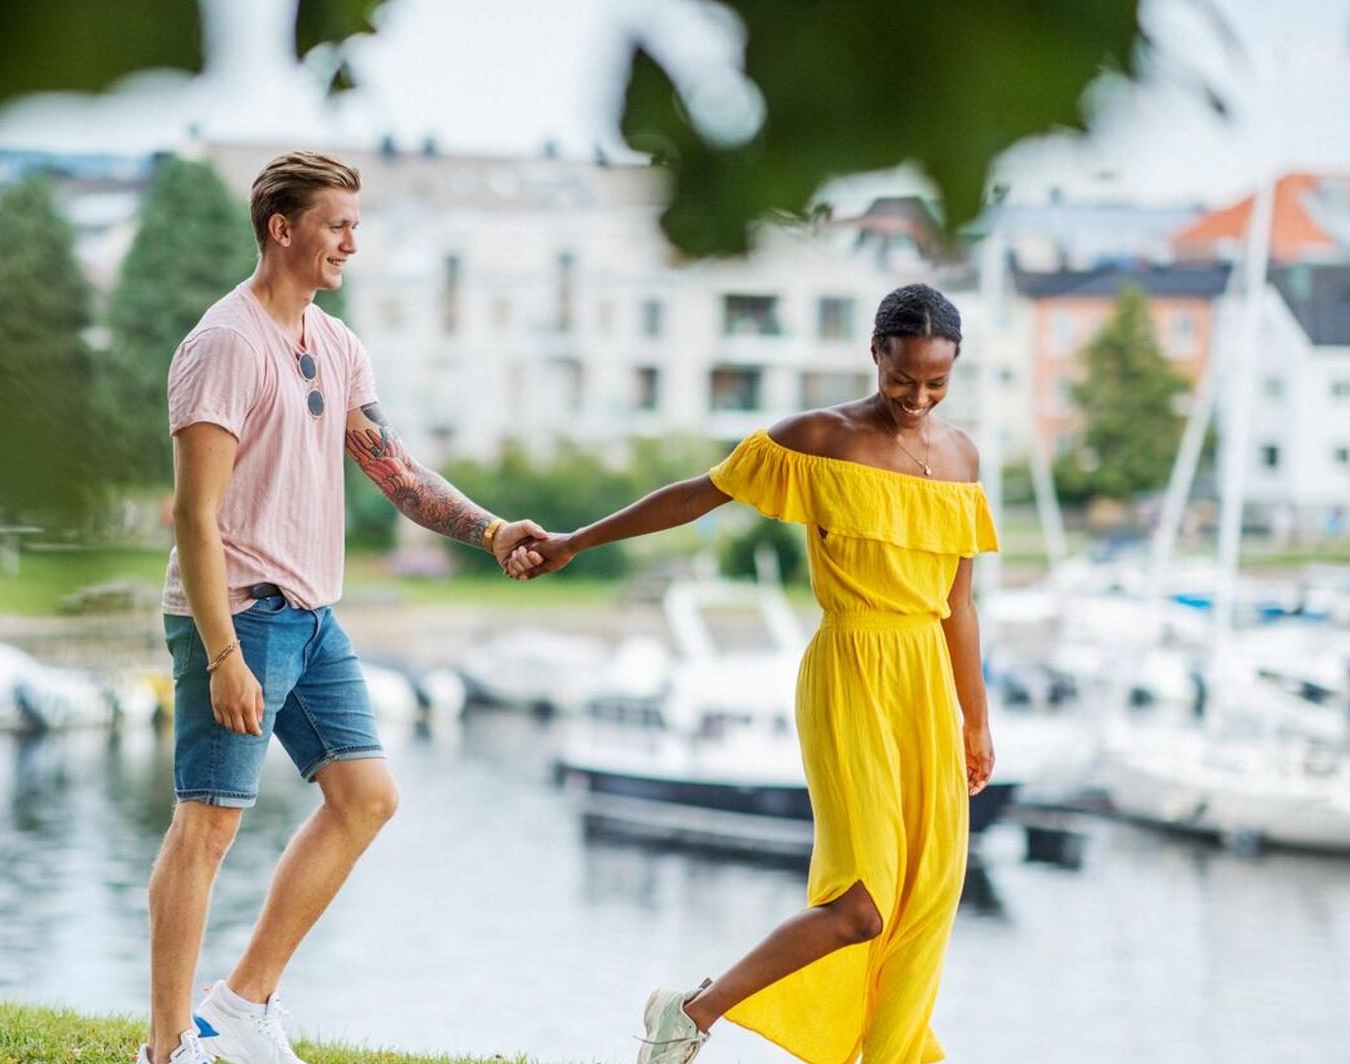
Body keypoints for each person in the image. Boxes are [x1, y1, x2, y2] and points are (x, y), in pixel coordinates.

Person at [522, 283, 998, 1064]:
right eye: (902, 378)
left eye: (936, 383)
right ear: (875, 353)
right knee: (863, 903)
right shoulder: (820, 436)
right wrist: (577, 540)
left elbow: (960, 603)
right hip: (851, 667)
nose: (917, 398)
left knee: (928, 893)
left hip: (926, 683)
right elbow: (693, 498)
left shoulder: (962, 456)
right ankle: (692, 1012)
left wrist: (975, 720)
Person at [144, 152, 545, 1064]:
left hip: (315, 613)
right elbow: (195, 517)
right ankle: (166, 1049)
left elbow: (394, 472)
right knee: (206, 826)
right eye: (338, 225)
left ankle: (242, 1006)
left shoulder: (335, 342)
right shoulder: (223, 345)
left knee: (365, 799)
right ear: (283, 229)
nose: (352, 244)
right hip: (240, 612)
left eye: (355, 226)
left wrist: (489, 532)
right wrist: (221, 654)